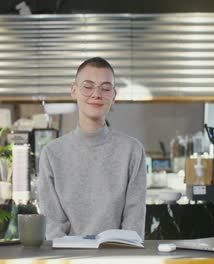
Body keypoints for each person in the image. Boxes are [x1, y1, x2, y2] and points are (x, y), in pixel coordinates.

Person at [37, 57, 147, 240]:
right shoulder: (51, 154)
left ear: (114, 95)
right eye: (88, 87)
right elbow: (52, 225)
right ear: (74, 91)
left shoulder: (132, 151)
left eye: (105, 88)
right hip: (67, 259)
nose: (96, 94)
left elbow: (133, 223)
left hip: (117, 257)